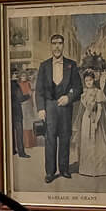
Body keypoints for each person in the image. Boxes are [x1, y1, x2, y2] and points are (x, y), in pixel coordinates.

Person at [35, 34, 82, 185]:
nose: (56, 46)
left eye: (59, 43)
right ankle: (50, 172)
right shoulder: (44, 66)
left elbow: (78, 87)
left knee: (64, 137)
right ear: (50, 46)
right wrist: (41, 108)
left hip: (65, 107)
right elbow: (39, 90)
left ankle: (64, 169)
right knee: (50, 140)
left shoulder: (71, 65)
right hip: (49, 106)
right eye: (54, 43)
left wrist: (69, 97)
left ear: (63, 45)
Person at [10, 68, 30, 159]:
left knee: (10, 131)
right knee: (19, 132)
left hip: (9, 111)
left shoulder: (5, 83)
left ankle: (12, 150)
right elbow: (20, 98)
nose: (16, 75)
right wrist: (29, 95)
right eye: (14, 73)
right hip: (17, 111)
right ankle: (21, 152)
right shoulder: (15, 85)